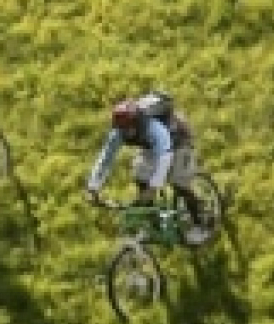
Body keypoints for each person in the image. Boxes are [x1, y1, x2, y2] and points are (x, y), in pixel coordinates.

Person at [84, 91, 212, 245]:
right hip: (153, 148)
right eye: (122, 130)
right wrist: (93, 187)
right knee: (140, 174)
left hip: (178, 141)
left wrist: (153, 187)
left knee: (179, 183)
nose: (126, 133)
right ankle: (153, 224)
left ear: (136, 122)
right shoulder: (119, 132)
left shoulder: (153, 128)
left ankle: (200, 224)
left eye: (128, 129)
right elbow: (106, 158)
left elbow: (165, 158)